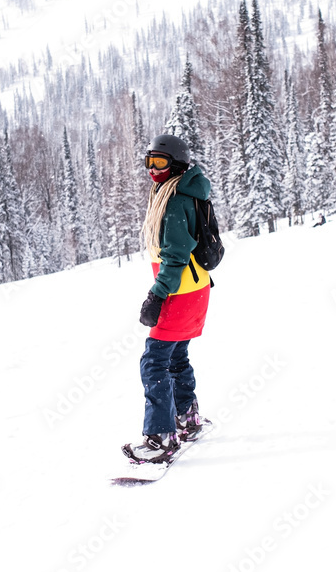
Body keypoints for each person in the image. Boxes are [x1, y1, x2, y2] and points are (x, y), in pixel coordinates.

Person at [122, 134, 212, 464]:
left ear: (175, 163)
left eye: (159, 162)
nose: (152, 169)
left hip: (180, 290)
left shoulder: (175, 200)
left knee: (154, 360)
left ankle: (160, 437)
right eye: (149, 161)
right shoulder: (184, 190)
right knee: (175, 357)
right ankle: (187, 418)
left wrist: (156, 297)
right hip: (196, 287)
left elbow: (175, 256)